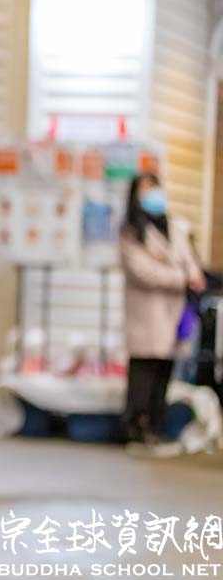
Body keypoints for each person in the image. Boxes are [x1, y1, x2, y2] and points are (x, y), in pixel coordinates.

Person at [118, 172, 204, 454]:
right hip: (147, 312)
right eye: (147, 190)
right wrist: (182, 279)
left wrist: (195, 275)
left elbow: (188, 259)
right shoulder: (131, 231)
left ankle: (155, 426)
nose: (154, 195)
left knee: (163, 370)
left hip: (173, 312)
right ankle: (136, 427)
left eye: (155, 188)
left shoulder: (174, 226)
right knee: (143, 370)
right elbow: (143, 271)